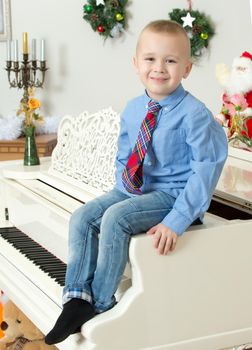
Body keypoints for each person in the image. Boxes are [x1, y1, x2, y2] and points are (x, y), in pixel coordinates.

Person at [45, 19, 228, 345]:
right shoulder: (132, 109)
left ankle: (100, 303)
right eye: (150, 59)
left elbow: (206, 169)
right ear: (135, 64)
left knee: (115, 219)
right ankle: (76, 297)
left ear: (186, 68)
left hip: (173, 196)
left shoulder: (195, 114)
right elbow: (125, 154)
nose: (159, 68)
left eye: (170, 61)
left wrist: (177, 220)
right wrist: (123, 189)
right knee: (83, 217)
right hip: (134, 190)